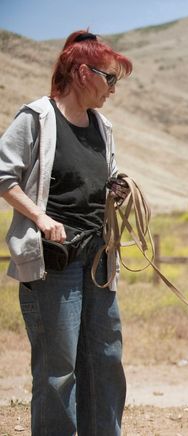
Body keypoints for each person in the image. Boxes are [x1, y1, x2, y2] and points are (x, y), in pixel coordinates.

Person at [0, 30, 132, 435]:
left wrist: (116, 189)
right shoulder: (37, 117)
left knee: (105, 360)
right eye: (109, 78)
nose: (112, 89)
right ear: (81, 73)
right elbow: (4, 176)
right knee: (59, 369)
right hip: (54, 263)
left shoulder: (102, 125)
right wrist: (41, 218)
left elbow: (98, 179)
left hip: (99, 260)